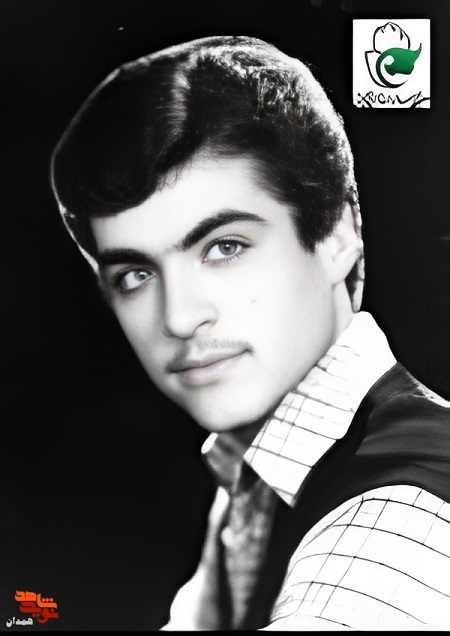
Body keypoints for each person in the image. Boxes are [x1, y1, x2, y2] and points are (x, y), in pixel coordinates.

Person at [50, 35, 450, 630]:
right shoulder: (266, 469)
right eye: (135, 274)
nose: (178, 318)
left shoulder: (395, 526)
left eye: (225, 247)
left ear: (337, 235)